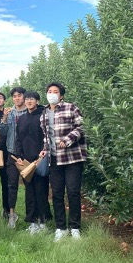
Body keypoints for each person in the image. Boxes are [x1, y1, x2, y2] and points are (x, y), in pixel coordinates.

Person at [39, 82, 88, 242]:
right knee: (57, 194)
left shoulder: (71, 108)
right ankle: (61, 227)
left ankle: (75, 227)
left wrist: (67, 140)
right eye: (49, 91)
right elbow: (46, 136)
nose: (51, 94)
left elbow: (81, 127)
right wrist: (45, 149)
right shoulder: (44, 113)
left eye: (55, 91)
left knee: (73, 192)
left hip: (72, 157)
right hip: (54, 159)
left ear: (61, 95)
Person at [15, 91, 49, 234]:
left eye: (32, 99)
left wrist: (43, 152)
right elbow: (18, 138)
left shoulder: (43, 116)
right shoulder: (22, 118)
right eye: (27, 99)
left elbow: (47, 136)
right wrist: (19, 155)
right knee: (29, 191)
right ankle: (32, 221)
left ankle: (43, 221)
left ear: (37, 101)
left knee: (41, 190)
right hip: (26, 160)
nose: (29, 101)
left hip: (40, 158)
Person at [0, 86, 26, 228]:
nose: (17, 98)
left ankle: (35, 215)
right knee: (12, 184)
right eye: (15, 96)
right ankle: (11, 214)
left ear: (24, 97)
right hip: (12, 153)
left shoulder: (30, 111)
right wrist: (4, 118)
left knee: (31, 185)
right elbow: (2, 132)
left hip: (27, 154)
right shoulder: (9, 113)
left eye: (19, 95)